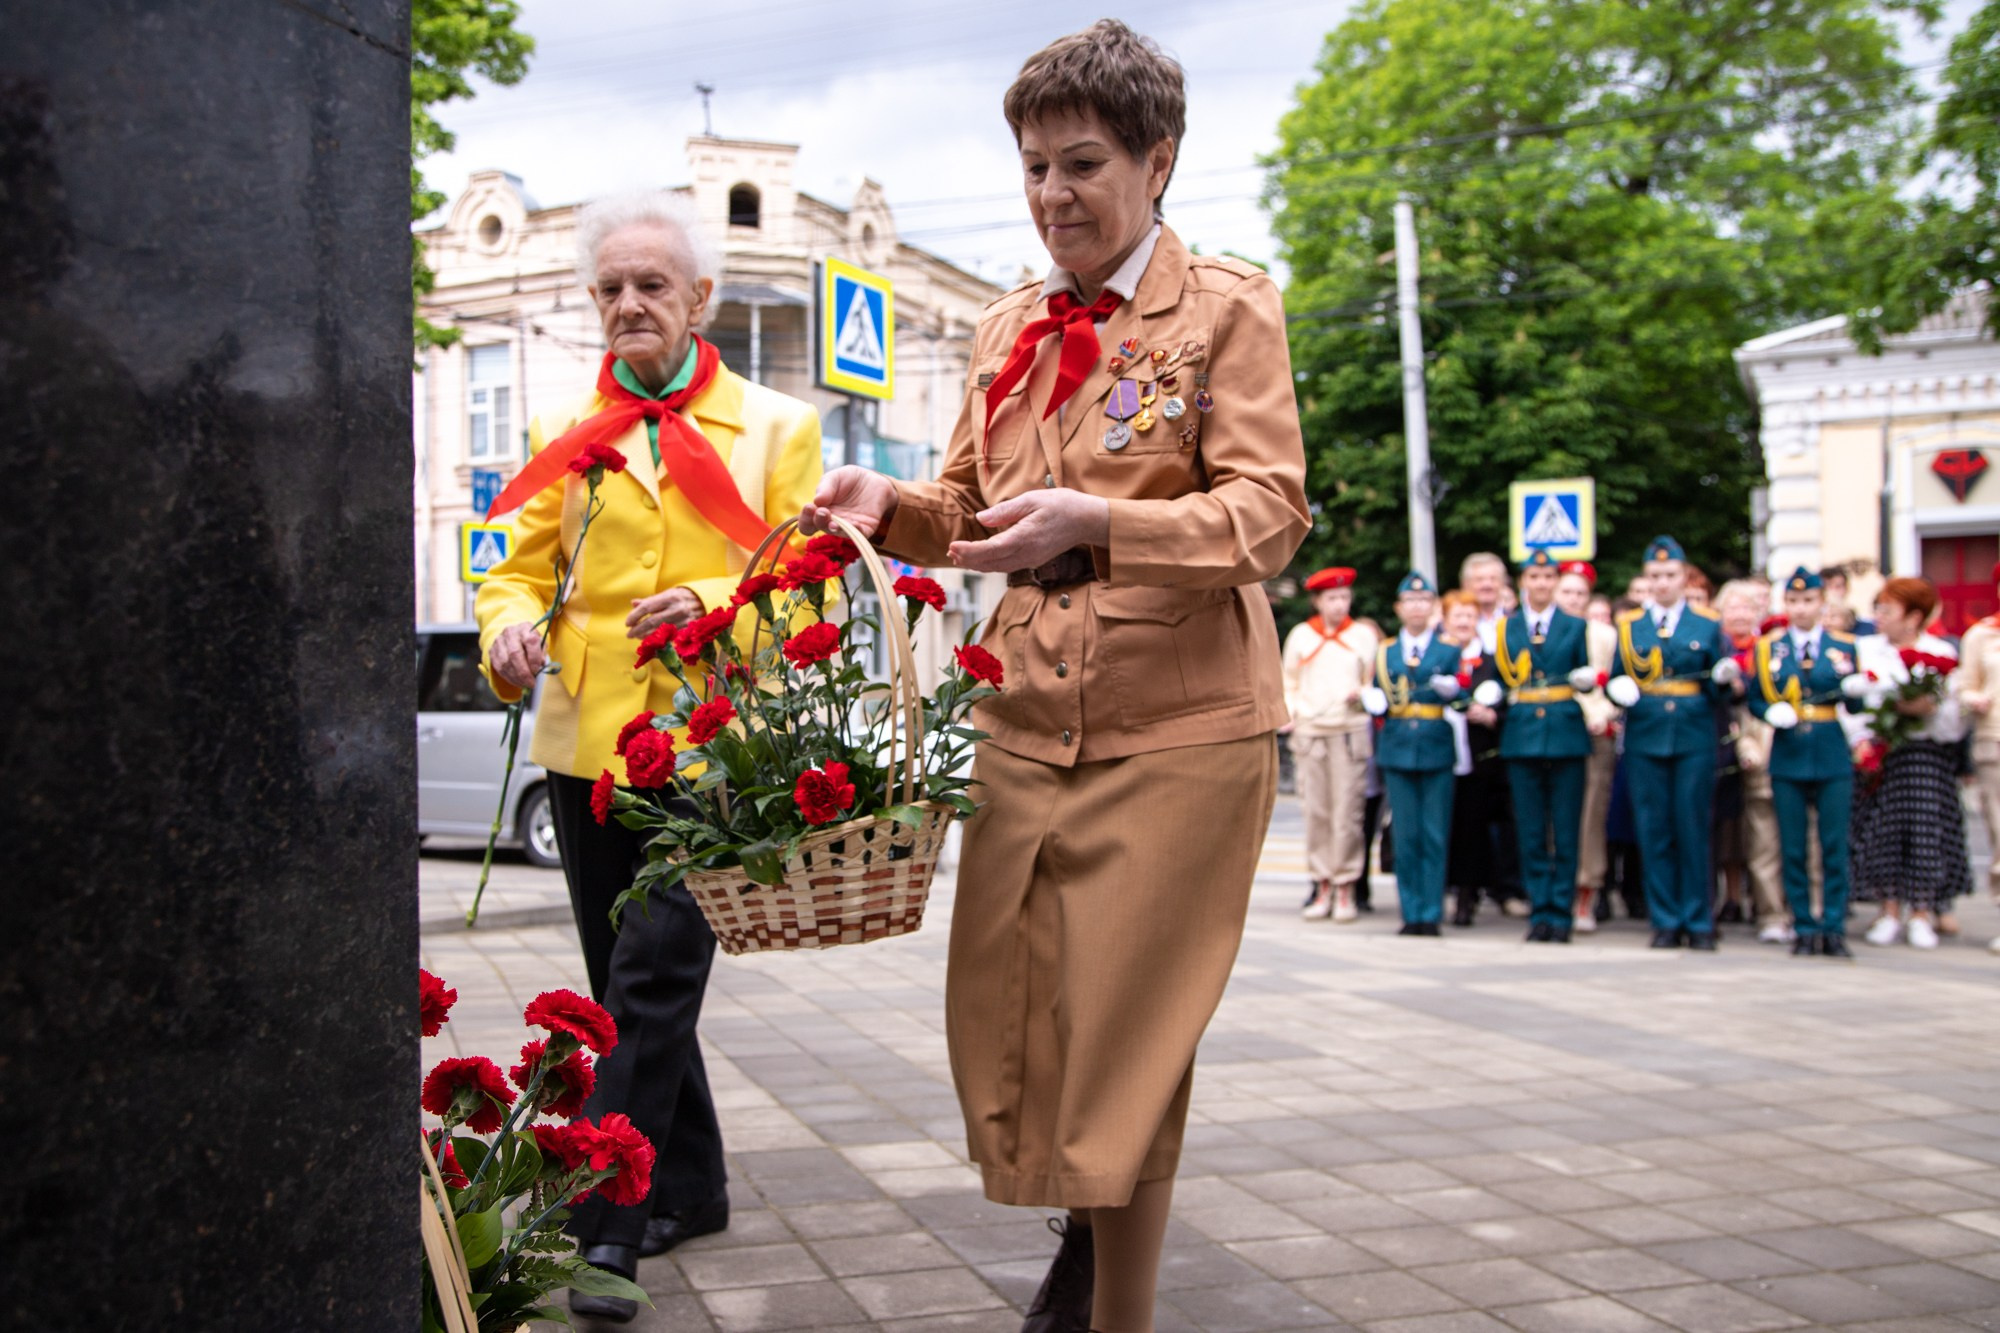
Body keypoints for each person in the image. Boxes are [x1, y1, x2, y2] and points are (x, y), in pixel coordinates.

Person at [797, 23, 1309, 1331]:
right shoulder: (1009, 325)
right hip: (1028, 711)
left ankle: (1112, 1308)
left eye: (1080, 165)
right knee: (1019, 1019)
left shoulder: (1230, 309)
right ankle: (1091, 1224)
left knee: (1133, 1032)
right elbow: (967, 511)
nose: (1051, 197)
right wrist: (884, 501)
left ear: (1159, 161)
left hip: (1182, 719)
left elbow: (1269, 519)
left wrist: (1102, 522)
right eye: (1031, 168)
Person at [475, 192, 826, 1321]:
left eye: (652, 286)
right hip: (585, 742)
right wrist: (505, 634)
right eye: (611, 289)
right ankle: (693, 1184)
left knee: (648, 981)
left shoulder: (779, 426)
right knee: (625, 987)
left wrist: (720, 598)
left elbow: (810, 574)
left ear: (699, 299)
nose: (630, 304)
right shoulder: (563, 436)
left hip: (712, 748)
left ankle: (600, 1230)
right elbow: (513, 569)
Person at [1607, 535, 1734, 950]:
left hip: (1694, 734)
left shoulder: (1707, 624)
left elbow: (1720, 688)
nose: (1662, 583)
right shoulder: (1631, 628)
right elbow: (1618, 677)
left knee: (1693, 827)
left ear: (1683, 577)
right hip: (1646, 734)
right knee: (1654, 828)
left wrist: (1724, 680)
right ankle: (1664, 919)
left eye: (1670, 575)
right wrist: (1617, 689)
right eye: (1655, 576)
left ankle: (1698, 919)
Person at [1847, 577, 1970, 950]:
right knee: (1882, 829)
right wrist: (1863, 738)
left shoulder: (1941, 653)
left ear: (1914, 616)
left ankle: (1921, 912)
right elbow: (1852, 702)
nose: (1879, 617)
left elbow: (1955, 718)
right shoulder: (1865, 649)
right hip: (1882, 756)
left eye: (1888, 610)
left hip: (1925, 756)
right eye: (1878, 609)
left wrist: (1924, 711)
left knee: (1924, 832)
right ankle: (1887, 910)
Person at [1747, 568, 1858, 957]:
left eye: (1808, 600)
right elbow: (1755, 697)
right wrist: (1768, 713)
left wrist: (1859, 687)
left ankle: (1834, 925)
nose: (1800, 608)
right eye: (1793, 601)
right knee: (1792, 847)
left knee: (1832, 845)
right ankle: (1804, 926)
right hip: (1789, 752)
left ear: (1822, 603)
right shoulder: (1769, 648)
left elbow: (1854, 701)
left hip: (1830, 751)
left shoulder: (1843, 647)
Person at [1489, 550, 1596, 941]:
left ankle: (1561, 914)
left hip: (1566, 732)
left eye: (1548, 577)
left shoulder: (1573, 625)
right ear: (1523, 582)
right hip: (1522, 734)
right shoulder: (1507, 627)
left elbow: (1582, 671)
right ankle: (1540, 911)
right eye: (1534, 577)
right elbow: (1501, 677)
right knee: (1531, 830)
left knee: (1566, 830)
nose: (1541, 584)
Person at [1365, 573, 1463, 936]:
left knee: (1435, 832)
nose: (1417, 607)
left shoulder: (1449, 649)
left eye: (1424, 601)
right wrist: (1371, 701)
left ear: (1433, 607)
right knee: (1405, 834)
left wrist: (1453, 691)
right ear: (1399, 608)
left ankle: (1431, 911)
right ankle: (1411, 911)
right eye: (1410, 600)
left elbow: (1461, 696)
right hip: (1398, 743)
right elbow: (1377, 694)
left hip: (1435, 743)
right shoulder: (1385, 651)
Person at [1283, 567, 1379, 923]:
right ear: (1318, 601)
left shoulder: (1363, 637)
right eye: (1332, 598)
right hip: (1310, 732)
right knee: (1316, 813)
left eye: (1344, 597)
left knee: (1348, 815)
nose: (1340, 604)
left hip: (1349, 730)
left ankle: (1346, 887)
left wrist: (1363, 696)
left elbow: (1373, 681)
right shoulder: (1301, 636)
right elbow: (1288, 680)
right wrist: (1290, 713)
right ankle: (1321, 883)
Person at [1558, 561, 1617, 931]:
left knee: (1591, 814)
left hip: (1593, 727)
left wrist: (1605, 711)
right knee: (1554, 814)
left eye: (1581, 593)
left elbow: (1614, 683)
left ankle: (1586, 890)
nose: (1573, 600)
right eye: (1567, 591)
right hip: (1555, 726)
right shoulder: (1541, 630)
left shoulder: (1603, 635)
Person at [1441, 590, 1506, 926]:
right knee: (1443, 826)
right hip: (1441, 754)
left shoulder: (1491, 660)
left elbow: (1504, 700)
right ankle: (1442, 891)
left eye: (1470, 616)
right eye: (1457, 616)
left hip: (1479, 756)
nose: (1464, 622)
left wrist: (1491, 714)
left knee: (1473, 827)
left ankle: (1468, 895)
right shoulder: (1438, 657)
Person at [1461, 551, 1508, 654]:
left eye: (1493, 579)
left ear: (1503, 583)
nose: (1487, 585)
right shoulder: (1453, 625)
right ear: (1466, 584)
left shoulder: (1514, 619)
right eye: (1479, 580)